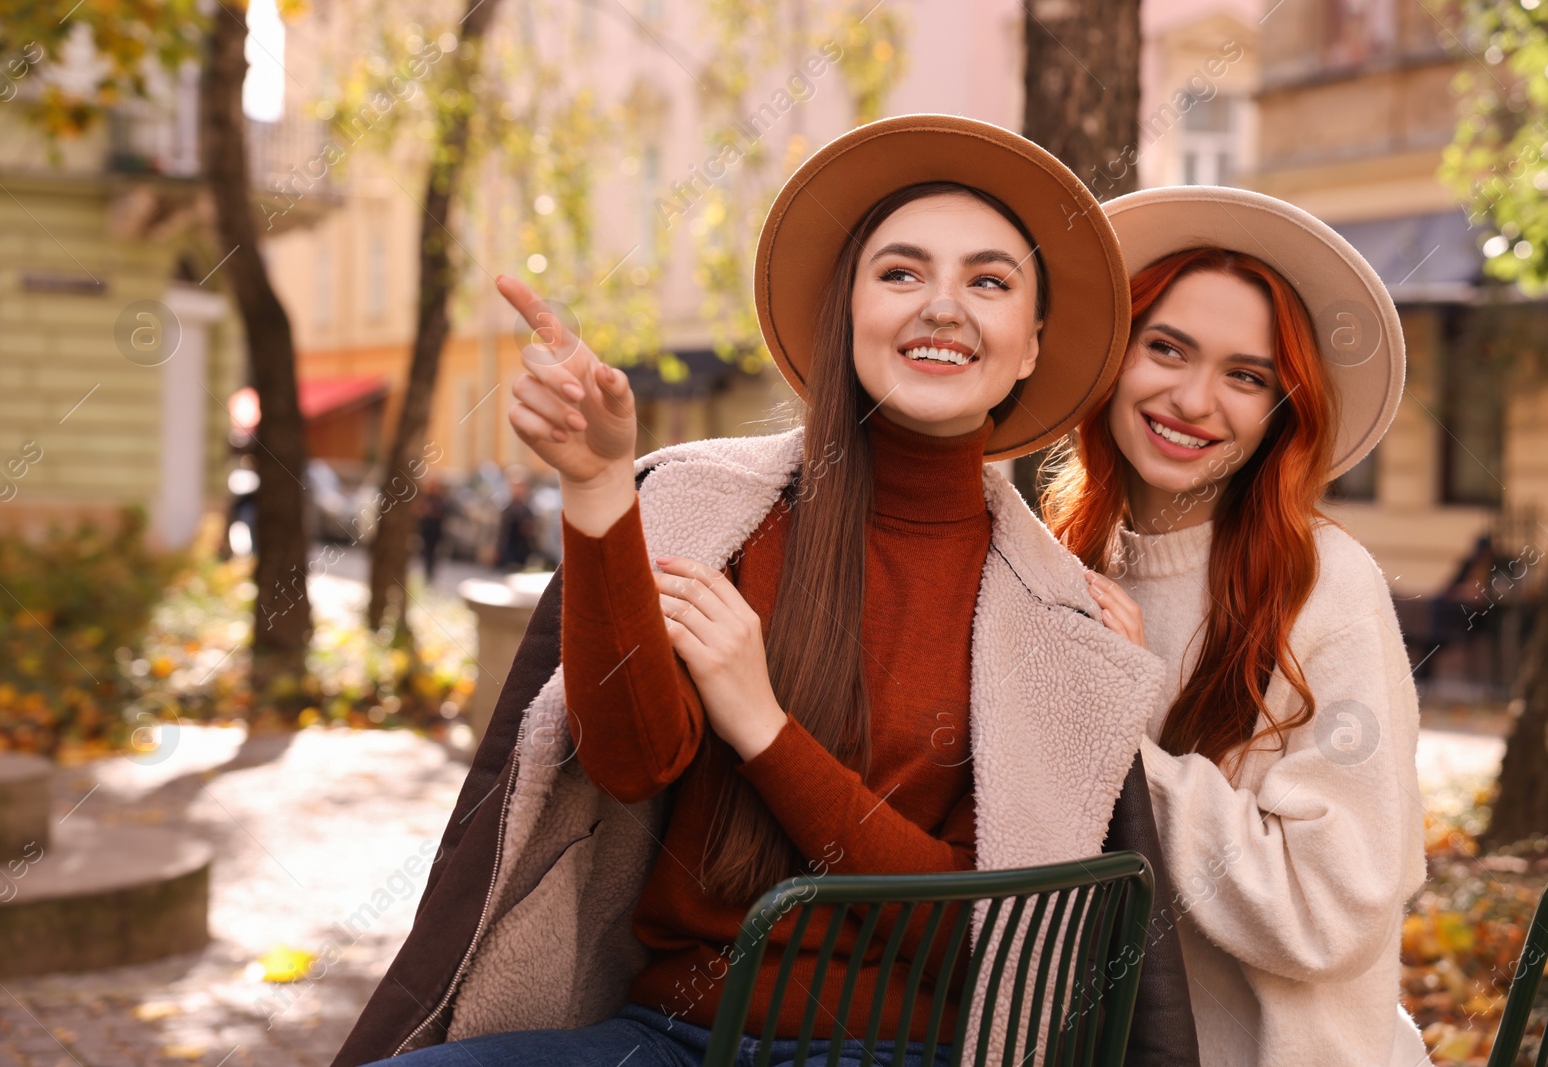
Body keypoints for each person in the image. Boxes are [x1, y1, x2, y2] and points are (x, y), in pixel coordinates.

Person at [331, 115, 1199, 1067]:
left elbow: (987, 943)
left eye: (987, 282)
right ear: (848, 312)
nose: (943, 307)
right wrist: (596, 488)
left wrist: (762, 725)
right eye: (901, 273)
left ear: (1029, 346)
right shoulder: (714, 509)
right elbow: (625, 760)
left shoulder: (1053, 617)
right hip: (663, 1038)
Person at [1041, 186, 1428, 1067]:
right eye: (1166, 348)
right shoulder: (1067, 560)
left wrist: (1117, 736)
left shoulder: (1323, 586)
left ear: (1280, 411)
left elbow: (1329, 911)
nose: (1193, 399)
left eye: (1245, 375)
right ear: (1113, 355)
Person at [494, 469, 538, 571]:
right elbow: (498, 531)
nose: (518, 490)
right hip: (507, 551)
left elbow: (535, 536)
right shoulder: (504, 508)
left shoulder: (529, 510)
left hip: (523, 552)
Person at [415, 476, 451, 584]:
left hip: (435, 531)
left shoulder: (440, 499)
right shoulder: (426, 498)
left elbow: (444, 513)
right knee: (427, 553)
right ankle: (427, 574)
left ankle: (431, 575)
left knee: (434, 554)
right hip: (426, 531)